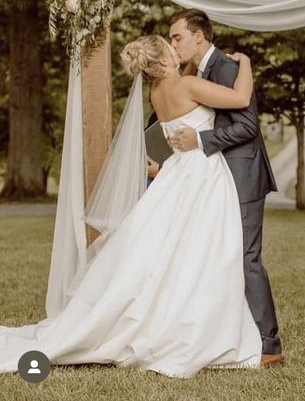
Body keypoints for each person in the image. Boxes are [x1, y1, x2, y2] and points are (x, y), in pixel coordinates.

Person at [0, 35, 263, 378]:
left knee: (169, 250)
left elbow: (175, 111)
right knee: (205, 251)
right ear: (165, 60)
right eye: (171, 47)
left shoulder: (158, 92)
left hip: (176, 175)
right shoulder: (188, 85)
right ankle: (190, 325)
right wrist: (246, 63)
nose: (175, 48)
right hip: (201, 175)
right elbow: (240, 97)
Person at [165, 9, 283, 366]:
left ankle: (268, 344)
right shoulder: (197, 72)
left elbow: (248, 127)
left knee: (246, 259)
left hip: (243, 175)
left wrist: (200, 140)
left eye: (177, 37)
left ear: (199, 36)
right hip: (217, 178)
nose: (174, 44)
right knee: (222, 257)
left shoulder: (227, 68)